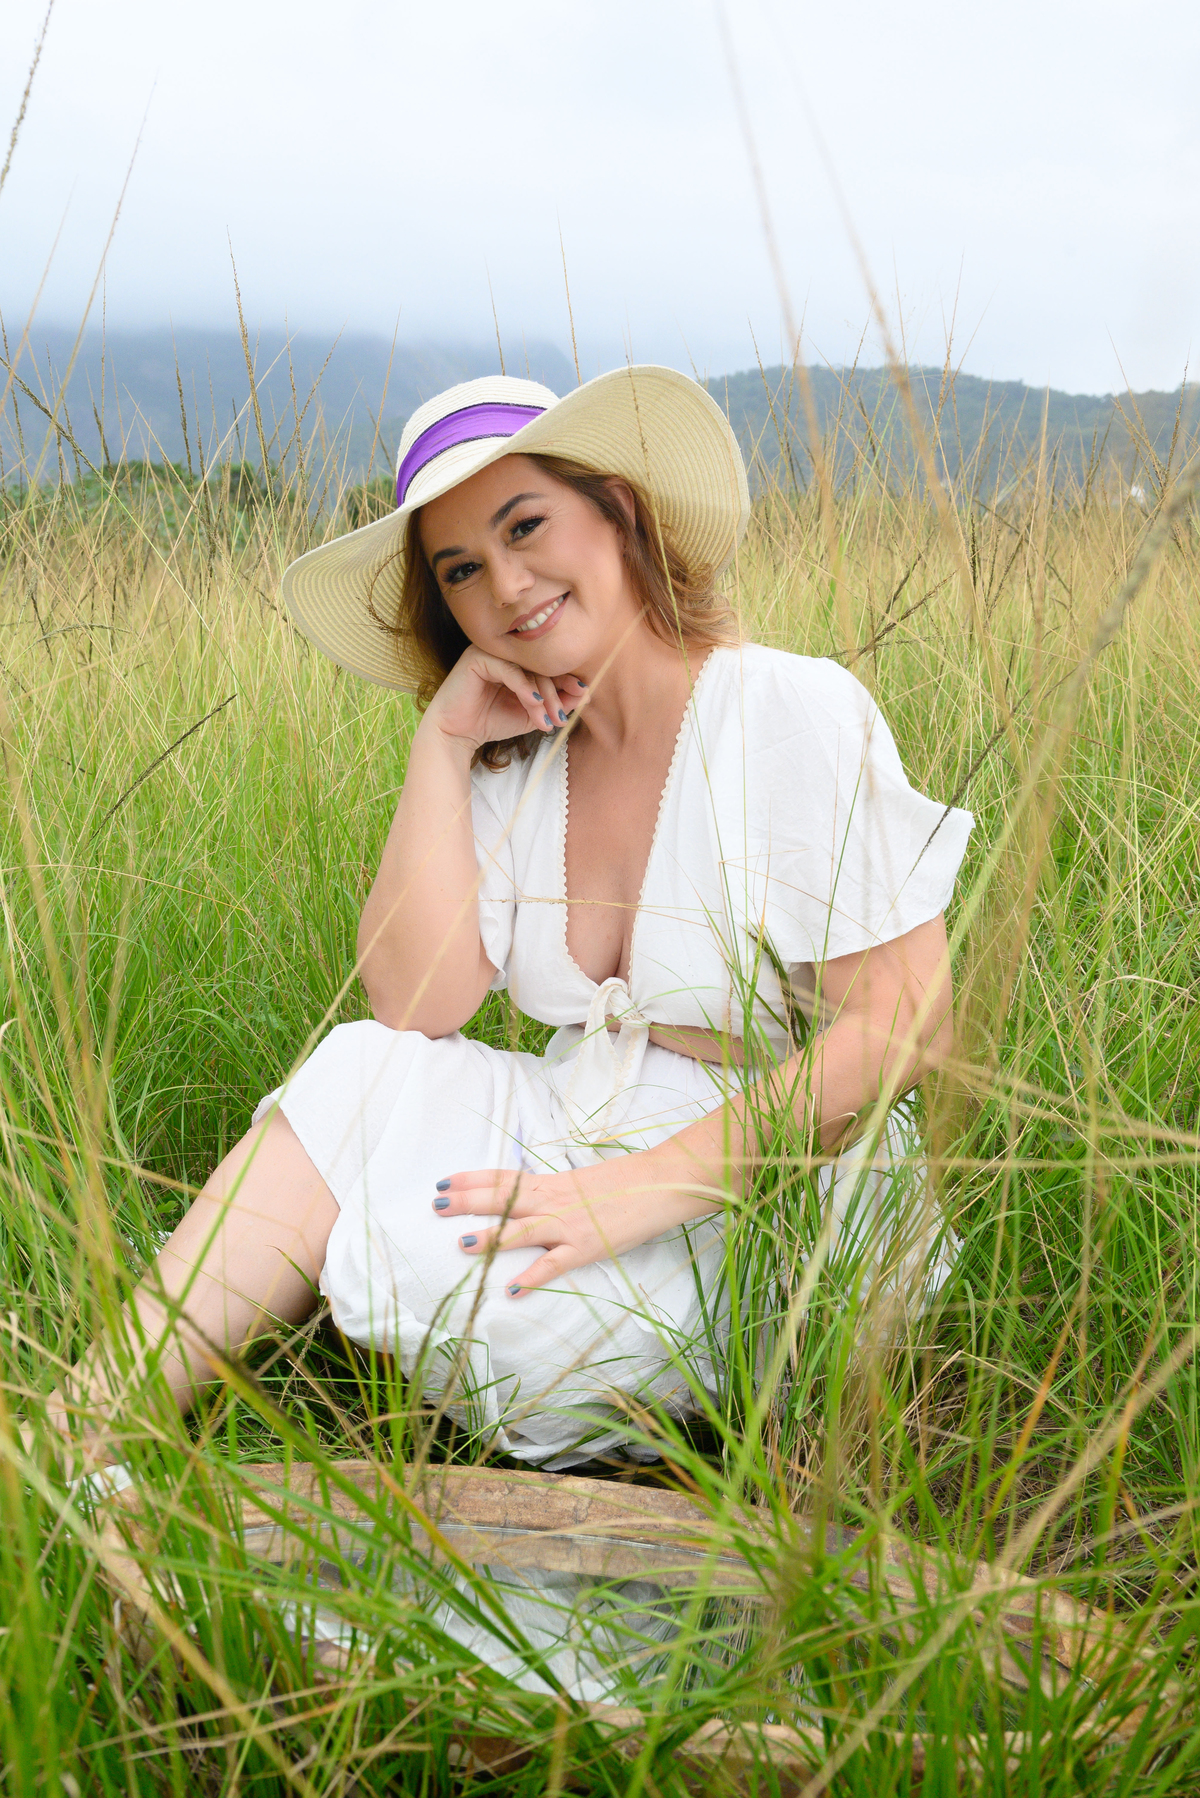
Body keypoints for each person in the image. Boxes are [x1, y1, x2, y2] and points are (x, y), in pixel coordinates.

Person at [46, 365, 972, 1475]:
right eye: (462, 570)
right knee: (356, 1074)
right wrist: (442, 748)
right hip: (575, 1120)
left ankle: (386, 1297)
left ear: (618, 510)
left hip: (774, 1180)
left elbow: (906, 1023)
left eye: (526, 525)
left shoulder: (787, 708)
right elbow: (415, 1003)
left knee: (512, 1312)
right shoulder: (518, 761)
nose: (507, 584)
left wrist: (631, 1192)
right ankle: (74, 1439)